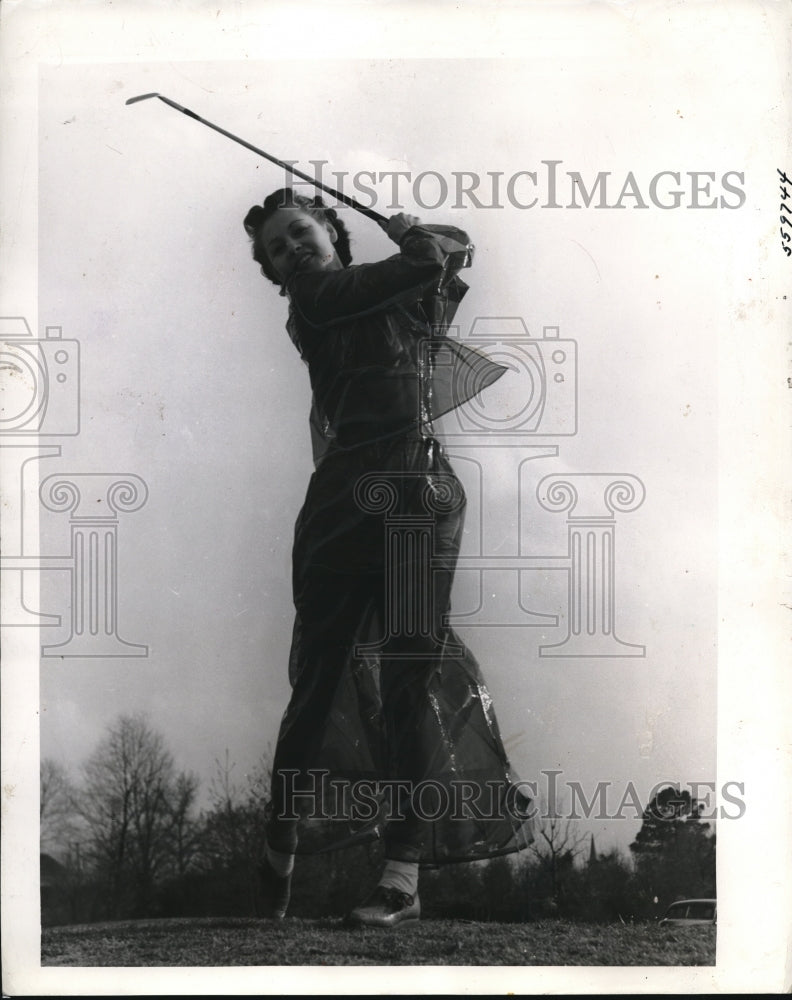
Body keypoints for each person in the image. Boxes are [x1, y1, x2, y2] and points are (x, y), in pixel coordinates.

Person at [243, 188, 533, 928]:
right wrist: (406, 234)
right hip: (345, 503)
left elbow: (452, 252)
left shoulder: (398, 296)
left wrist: (413, 235)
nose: (291, 250)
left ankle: (400, 877)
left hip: (418, 498)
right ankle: (278, 856)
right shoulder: (315, 298)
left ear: (330, 229)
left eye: (299, 232)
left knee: (410, 676)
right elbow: (424, 259)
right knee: (318, 680)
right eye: (277, 249)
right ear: (278, 273)